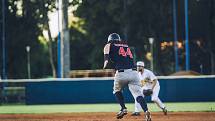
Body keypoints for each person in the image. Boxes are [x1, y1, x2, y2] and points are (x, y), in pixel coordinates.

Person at [103, 33, 152, 121]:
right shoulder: (125, 45)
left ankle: (123, 108)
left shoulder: (109, 44)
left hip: (121, 72)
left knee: (117, 90)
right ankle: (146, 111)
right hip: (134, 72)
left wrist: (105, 62)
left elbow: (106, 53)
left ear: (110, 39)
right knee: (138, 95)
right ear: (118, 39)